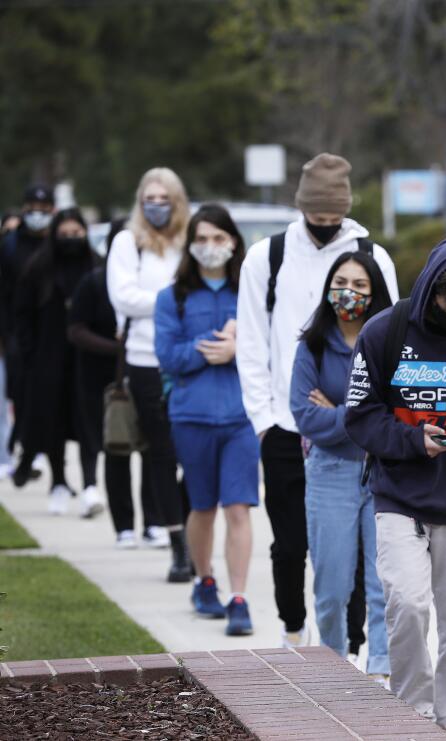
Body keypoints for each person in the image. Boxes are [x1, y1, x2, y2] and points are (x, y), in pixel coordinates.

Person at [236, 153, 399, 647]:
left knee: (349, 558)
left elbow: (390, 337)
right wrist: (264, 420)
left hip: (357, 439)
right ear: (302, 206)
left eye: (334, 219)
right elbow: (252, 341)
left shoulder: (372, 254)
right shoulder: (268, 256)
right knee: (290, 546)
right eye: (317, 217)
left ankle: (346, 647)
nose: (325, 227)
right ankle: (292, 628)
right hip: (287, 426)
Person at [344, 238, 446, 737]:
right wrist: (413, 440)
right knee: (407, 605)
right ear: (431, 290)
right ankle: (412, 713)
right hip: (398, 496)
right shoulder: (384, 332)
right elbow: (360, 416)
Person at [154, 204, 258, 636]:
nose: (210, 247)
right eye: (202, 239)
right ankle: (204, 581)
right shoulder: (172, 297)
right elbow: (168, 357)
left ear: (233, 242)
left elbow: (268, 350)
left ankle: (238, 599)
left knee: (238, 506)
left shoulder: (250, 293)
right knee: (202, 505)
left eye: (219, 238)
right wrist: (208, 346)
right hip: (191, 417)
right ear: (190, 244)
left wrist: (240, 348)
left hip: (242, 417)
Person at [292, 250, 395, 681]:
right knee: (332, 587)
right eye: (341, 283)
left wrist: (340, 411)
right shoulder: (312, 345)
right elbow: (303, 415)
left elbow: (395, 412)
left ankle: (383, 670)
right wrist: (359, 416)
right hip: (329, 472)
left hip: (385, 473)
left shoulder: (390, 341)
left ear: (374, 295)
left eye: (358, 285)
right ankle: (332, 666)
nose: (347, 293)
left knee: (385, 584)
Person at [107, 167, 191, 582]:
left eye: (164, 199)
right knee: (160, 452)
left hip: (189, 359)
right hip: (144, 361)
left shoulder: (189, 241)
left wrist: (163, 303)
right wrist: (173, 300)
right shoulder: (128, 242)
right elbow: (123, 297)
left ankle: (193, 532)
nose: (156, 206)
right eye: (149, 199)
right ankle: (176, 543)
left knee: (192, 453)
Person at [68, 218, 160, 548]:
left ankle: (154, 522)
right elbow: (75, 328)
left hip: (151, 375)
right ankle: (124, 526)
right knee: (117, 449)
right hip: (110, 383)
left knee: (154, 452)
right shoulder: (94, 283)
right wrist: (117, 346)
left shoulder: (156, 283)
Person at [12, 207, 101, 516]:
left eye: (77, 234)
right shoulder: (39, 268)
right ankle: (59, 481)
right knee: (52, 423)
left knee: (88, 422)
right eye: (65, 235)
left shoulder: (95, 267)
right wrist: (30, 353)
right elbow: (21, 315)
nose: (71, 240)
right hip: (47, 359)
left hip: (87, 360)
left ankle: (90, 484)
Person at [2, 184, 56, 484]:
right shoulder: (10, 244)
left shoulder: (57, 242)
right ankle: (23, 447)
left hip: (50, 332)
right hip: (16, 331)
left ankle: (33, 453)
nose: (38, 214)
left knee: (45, 394)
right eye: (33, 208)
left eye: (44, 208)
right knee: (20, 392)